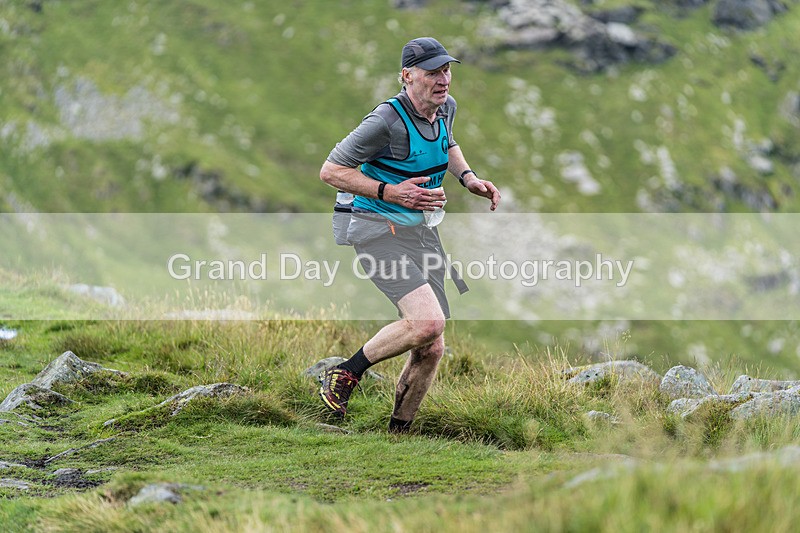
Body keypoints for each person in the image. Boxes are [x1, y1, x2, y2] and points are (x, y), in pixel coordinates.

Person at [318, 37, 500, 433]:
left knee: (432, 346)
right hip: (376, 229)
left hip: (420, 233)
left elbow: (448, 142)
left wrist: (468, 179)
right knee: (428, 323)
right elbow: (331, 171)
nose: (443, 79)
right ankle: (344, 374)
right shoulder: (384, 121)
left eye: (446, 70)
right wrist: (392, 192)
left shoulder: (445, 107)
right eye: (433, 72)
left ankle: (399, 435)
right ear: (407, 76)